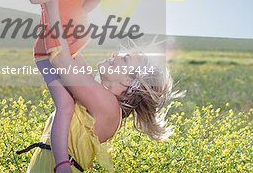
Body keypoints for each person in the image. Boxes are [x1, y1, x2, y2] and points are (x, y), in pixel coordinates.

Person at [29, 0, 127, 172]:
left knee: (79, 105)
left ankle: (72, 153)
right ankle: (62, 163)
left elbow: (79, 12)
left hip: (71, 49)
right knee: (66, 105)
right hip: (50, 50)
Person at [18, 50, 184, 172]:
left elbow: (60, 57)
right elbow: (70, 49)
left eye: (125, 58)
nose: (116, 54)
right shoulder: (96, 97)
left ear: (128, 80)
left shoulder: (109, 106)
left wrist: (52, 8)